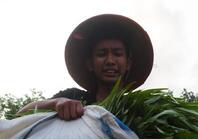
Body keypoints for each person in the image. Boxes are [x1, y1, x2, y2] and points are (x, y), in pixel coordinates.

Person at [18, 14, 154, 121]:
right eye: (102, 54)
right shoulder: (74, 96)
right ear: (90, 64)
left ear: (128, 64)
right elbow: (20, 115)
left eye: (117, 54)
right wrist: (56, 103)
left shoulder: (139, 109)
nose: (110, 61)